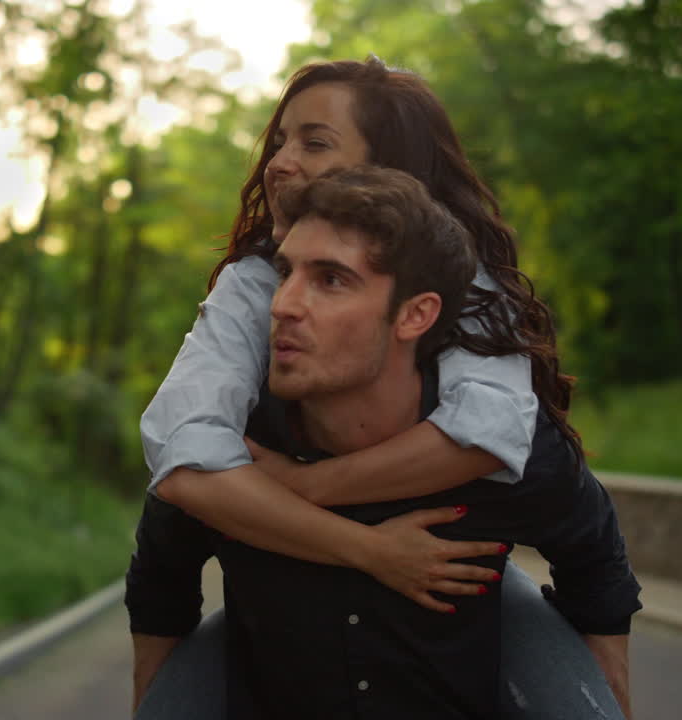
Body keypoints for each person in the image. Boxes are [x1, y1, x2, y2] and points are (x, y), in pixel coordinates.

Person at [127, 166, 639, 719]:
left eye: (330, 280)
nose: (282, 305)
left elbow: (596, 563)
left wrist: (604, 695)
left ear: (415, 315)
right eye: (285, 274)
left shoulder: (492, 454)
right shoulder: (231, 455)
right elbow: (160, 585)